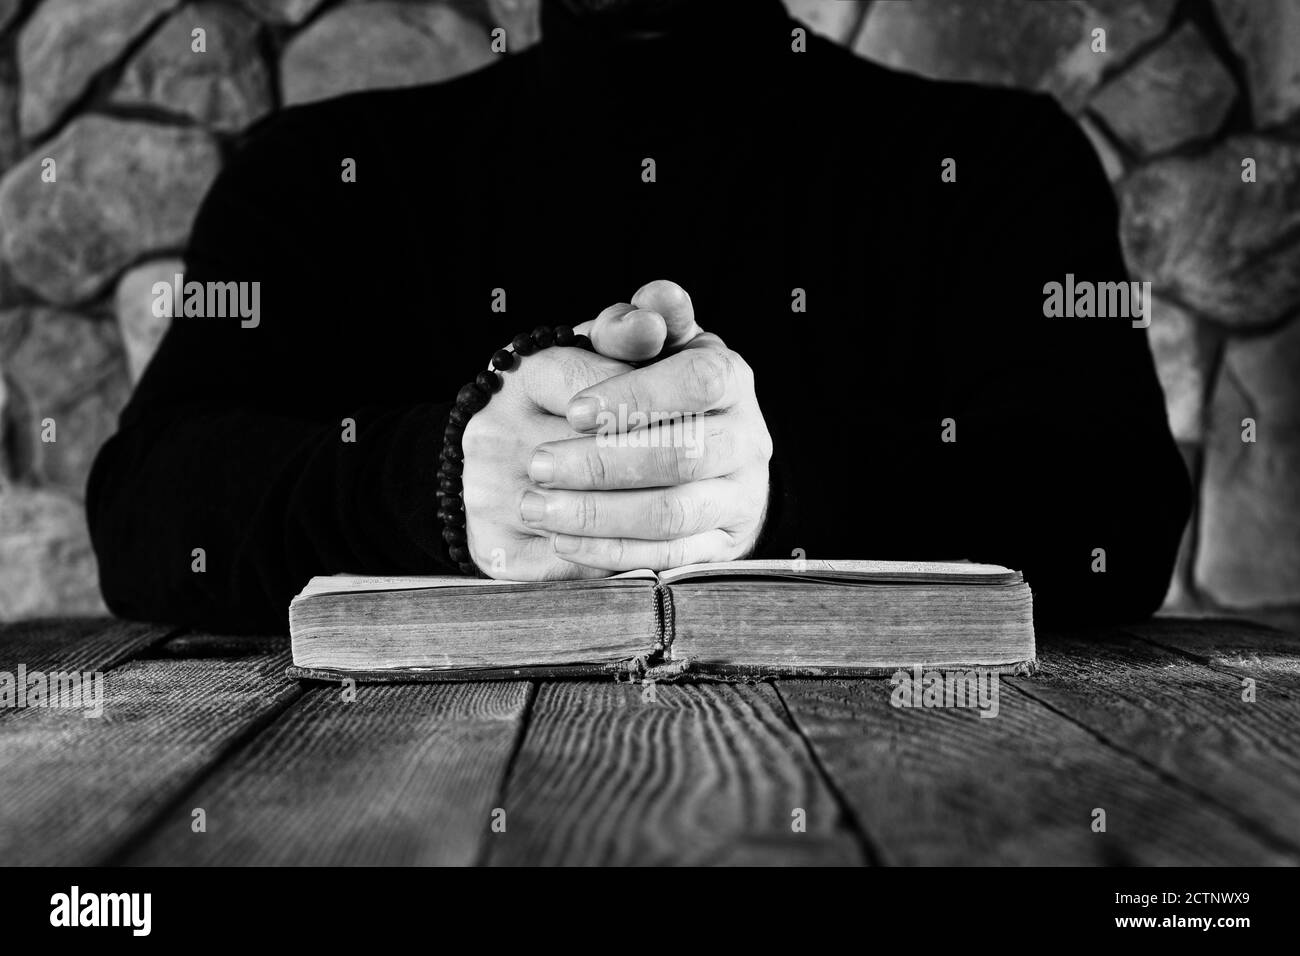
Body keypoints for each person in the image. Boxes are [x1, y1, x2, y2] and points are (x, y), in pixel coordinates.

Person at [87, 0, 1190, 633]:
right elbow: (144, 509)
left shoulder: (997, 163)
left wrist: (767, 496)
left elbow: (1115, 517)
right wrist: (444, 478)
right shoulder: (315, 174)